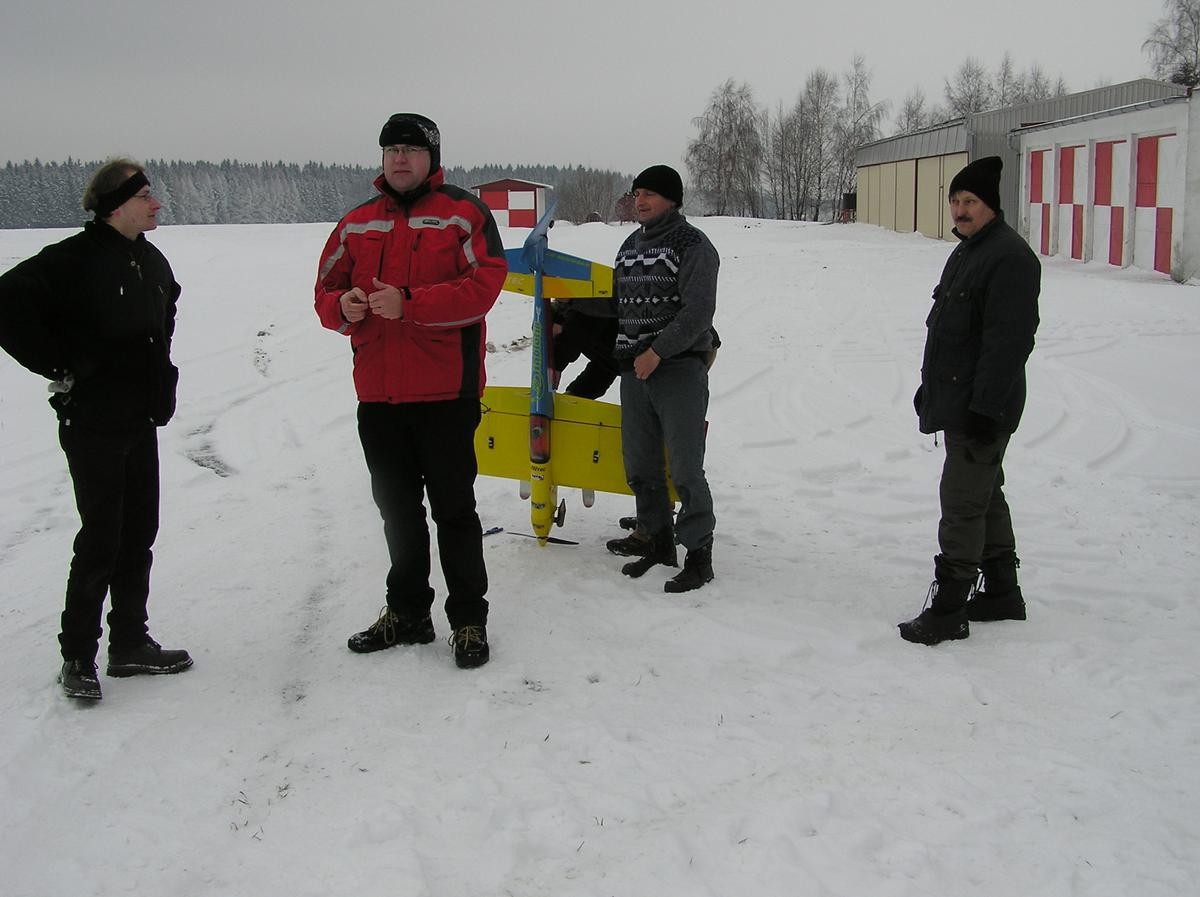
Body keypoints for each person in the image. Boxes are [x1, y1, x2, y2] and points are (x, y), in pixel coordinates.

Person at [314, 113, 507, 669]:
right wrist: (343, 307)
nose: (400, 158)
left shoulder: (464, 213)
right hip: (379, 399)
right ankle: (408, 613)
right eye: (392, 149)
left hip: (446, 395)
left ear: (431, 157)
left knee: (454, 512)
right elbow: (325, 291)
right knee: (397, 514)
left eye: (411, 149)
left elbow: (484, 286)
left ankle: (468, 619)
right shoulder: (356, 223)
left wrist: (411, 304)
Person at [0, 158, 192, 700]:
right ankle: (78, 656)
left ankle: (129, 642)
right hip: (93, 420)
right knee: (101, 538)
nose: (156, 204)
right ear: (115, 205)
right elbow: (7, 302)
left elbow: (165, 311)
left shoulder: (149, 259)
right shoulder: (73, 259)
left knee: (139, 534)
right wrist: (59, 364)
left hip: (139, 416)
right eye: (145, 196)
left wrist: (158, 375)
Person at [899, 156, 1040, 646]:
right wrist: (933, 389)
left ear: (991, 206)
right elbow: (950, 332)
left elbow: (1009, 343)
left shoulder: (1009, 258)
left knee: (961, 501)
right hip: (961, 398)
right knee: (985, 493)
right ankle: (1002, 591)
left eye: (970, 201)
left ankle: (949, 608)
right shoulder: (969, 251)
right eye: (955, 201)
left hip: (982, 406)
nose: (960, 210)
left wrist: (985, 408)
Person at [605, 165, 719, 593]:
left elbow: (698, 312)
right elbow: (617, 306)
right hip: (636, 370)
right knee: (641, 464)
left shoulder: (693, 244)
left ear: (672, 199)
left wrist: (658, 352)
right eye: (637, 193)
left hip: (678, 369)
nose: (640, 201)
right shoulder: (629, 246)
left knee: (685, 468)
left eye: (650, 194)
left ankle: (699, 554)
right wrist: (563, 320)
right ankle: (656, 539)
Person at [550, 297, 618, 399]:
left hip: (639, 359)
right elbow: (607, 365)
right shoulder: (568, 310)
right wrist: (576, 394)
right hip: (629, 363)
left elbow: (578, 331)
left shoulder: (592, 307)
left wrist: (556, 364)